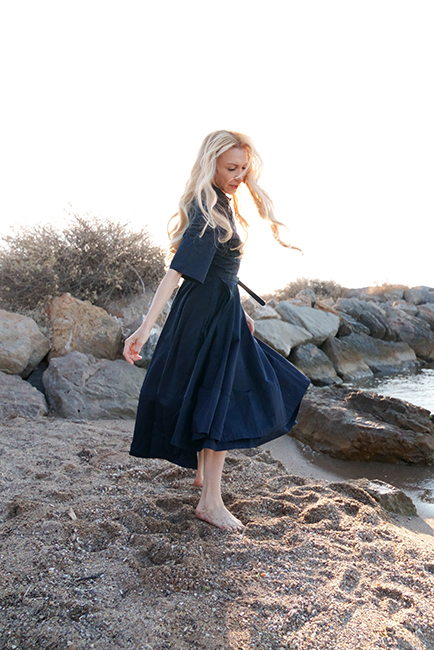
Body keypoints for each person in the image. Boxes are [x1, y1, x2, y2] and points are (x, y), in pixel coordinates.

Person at [123, 130, 310, 532]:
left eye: (243, 168)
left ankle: (202, 477)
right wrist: (145, 328)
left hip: (219, 310)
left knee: (213, 393)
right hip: (205, 315)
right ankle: (210, 502)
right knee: (220, 398)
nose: (239, 175)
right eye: (231, 168)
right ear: (211, 165)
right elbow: (176, 272)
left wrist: (239, 310)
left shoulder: (220, 202)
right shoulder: (207, 207)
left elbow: (221, 270)